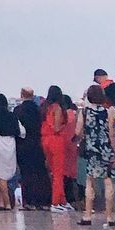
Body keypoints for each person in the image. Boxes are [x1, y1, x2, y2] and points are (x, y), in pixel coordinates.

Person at [75, 83, 115, 227]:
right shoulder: (109, 111)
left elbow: (78, 132)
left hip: (92, 149)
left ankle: (87, 216)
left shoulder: (85, 112)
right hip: (106, 148)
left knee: (90, 182)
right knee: (108, 181)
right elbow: (112, 133)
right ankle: (109, 217)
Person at [14, 88, 51, 209]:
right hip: (38, 143)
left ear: (22, 95)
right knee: (40, 172)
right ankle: (44, 201)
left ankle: (29, 201)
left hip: (23, 145)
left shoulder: (18, 110)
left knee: (26, 173)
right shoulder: (39, 110)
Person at [41, 84, 73, 213]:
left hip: (45, 140)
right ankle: (55, 202)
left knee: (54, 171)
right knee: (59, 172)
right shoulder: (58, 108)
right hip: (56, 140)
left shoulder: (45, 108)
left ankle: (62, 200)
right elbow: (57, 127)